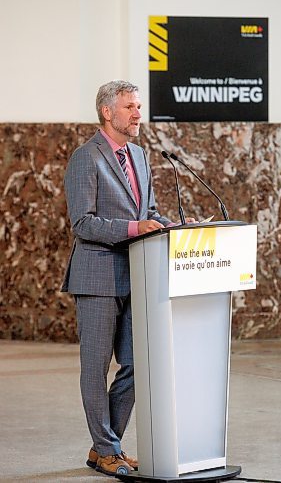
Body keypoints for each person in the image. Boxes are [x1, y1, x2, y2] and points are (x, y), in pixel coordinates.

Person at [61, 80, 194, 477]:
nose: (138, 114)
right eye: (131, 107)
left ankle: (107, 446)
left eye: (139, 106)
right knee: (96, 367)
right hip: (97, 276)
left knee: (137, 365)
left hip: (138, 275)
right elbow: (83, 223)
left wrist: (181, 228)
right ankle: (107, 449)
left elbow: (149, 210)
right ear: (108, 112)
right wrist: (137, 228)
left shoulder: (139, 155)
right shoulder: (86, 158)